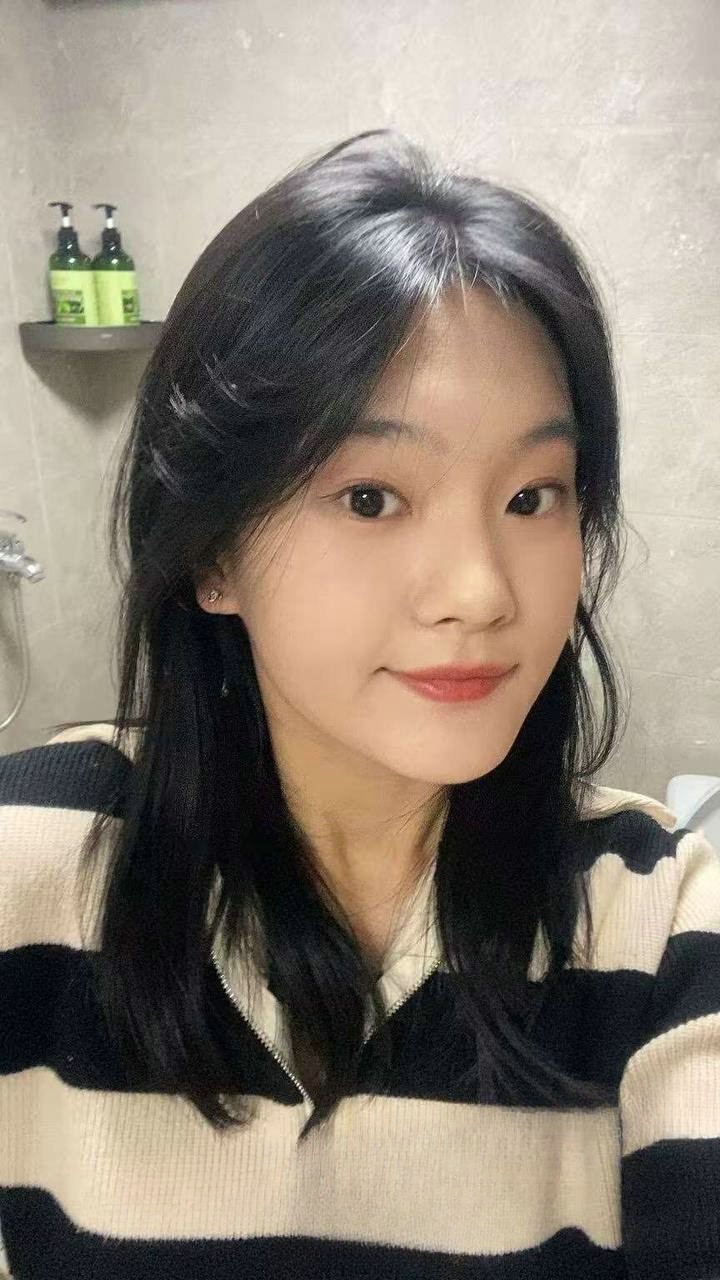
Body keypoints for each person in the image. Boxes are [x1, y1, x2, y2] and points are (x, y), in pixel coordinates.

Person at [1, 128, 718, 1279]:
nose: (482, 591)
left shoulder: (663, 918)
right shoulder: (31, 861)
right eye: (372, 496)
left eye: (534, 495)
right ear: (213, 552)